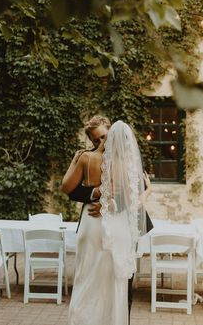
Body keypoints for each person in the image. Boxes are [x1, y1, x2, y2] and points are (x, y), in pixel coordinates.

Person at [62, 119, 152, 325]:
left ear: (111, 131)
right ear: (91, 141)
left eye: (104, 135)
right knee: (99, 280)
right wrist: (97, 193)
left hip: (121, 224)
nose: (102, 141)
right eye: (97, 139)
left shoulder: (127, 154)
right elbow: (70, 190)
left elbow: (130, 194)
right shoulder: (87, 157)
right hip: (102, 223)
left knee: (119, 284)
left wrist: (109, 203)